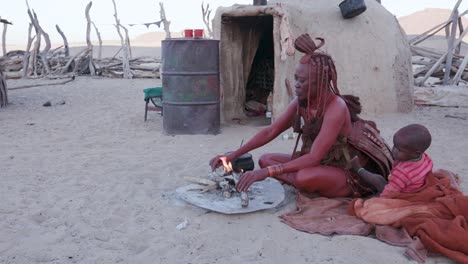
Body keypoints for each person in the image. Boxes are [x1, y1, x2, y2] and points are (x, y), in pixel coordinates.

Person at [210, 33, 393, 198]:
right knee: (265, 159)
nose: (297, 84)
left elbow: (313, 157)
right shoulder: (301, 102)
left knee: (304, 177)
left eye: (303, 81)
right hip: (317, 161)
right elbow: (271, 131)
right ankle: (300, 179)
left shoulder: (336, 107)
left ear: (320, 82)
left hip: (344, 168)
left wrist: (266, 173)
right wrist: (232, 155)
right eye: (296, 78)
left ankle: (316, 183)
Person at [351, 124, 433, 198]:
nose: (394, 150)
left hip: (401, 196)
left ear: (415, 153)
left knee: (378, 179)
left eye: (399, 150)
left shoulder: (402, 172)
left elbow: (389, 193)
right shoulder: (424, 157)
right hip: (412, 187)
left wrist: (377, 200)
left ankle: (358, 169)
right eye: (394, 145)